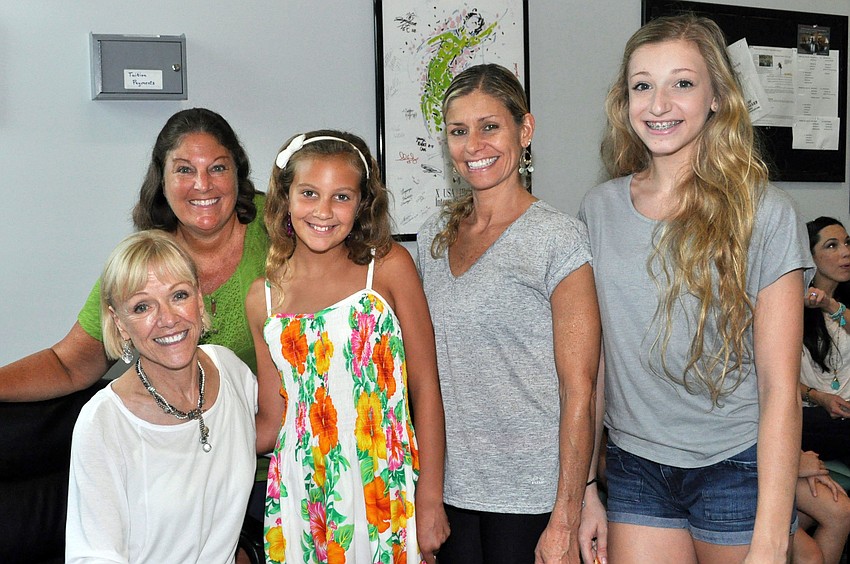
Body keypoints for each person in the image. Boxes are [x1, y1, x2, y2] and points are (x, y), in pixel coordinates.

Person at [579, 14, 812, 563]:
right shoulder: (598, 209)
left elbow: (781, 388)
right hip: (635, 465)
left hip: (735, 465)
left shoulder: (767, 214)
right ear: (625, 100)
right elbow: (596, 365)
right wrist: (586, 488)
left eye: (681, 83)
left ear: (717, 98)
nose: (658, 104)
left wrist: (771, 539)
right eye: (643, 86)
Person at [417, 63, 601, 564]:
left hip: (532, 495)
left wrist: (566, 514)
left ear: (524, 131)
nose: (473, 144)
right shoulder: (434, 237)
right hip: (452, 490)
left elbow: (579, 387)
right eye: (459, 131)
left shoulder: (557, 238)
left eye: (489, 126)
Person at [247, 130, 449, 563]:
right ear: (283, 199)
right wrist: (190, 432)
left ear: (362, 205)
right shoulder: (262, 297)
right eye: (308, 193)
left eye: (341, 197)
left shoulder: (389, 269)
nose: (323, 211)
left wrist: (430, 498)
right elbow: (273, 418)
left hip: (384, 484)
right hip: (304, 495)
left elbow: (427, 387)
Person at [0, 107, 268, 401]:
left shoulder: (280, 227)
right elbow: (69, 365)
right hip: (180, 430)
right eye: (184, 170)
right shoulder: (145, 258)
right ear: (162, 180)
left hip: (281, 429)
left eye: (217, 168)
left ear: (237, 173)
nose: (202, 184)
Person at [65, 230, 257, 562]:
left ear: (199, 298)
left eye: (179, 295)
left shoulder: (231, 372)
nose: (167, 319)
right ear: (120, 323)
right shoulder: (104, 423)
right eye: (142, 306)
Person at [801, 216, 850, 462]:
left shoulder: (842, 305)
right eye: (832, 245)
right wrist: (819, 397)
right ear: (810, 257)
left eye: (847, 243)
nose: (846, 252)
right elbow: (771, 377)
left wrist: (831, 305)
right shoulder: (791, 306)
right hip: (811, 413)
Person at [792, 450, 850, 564]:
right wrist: (793, 464)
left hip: (772, 455)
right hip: (753, 473)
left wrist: (800, 457)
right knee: (810, 558)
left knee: (841, 511)